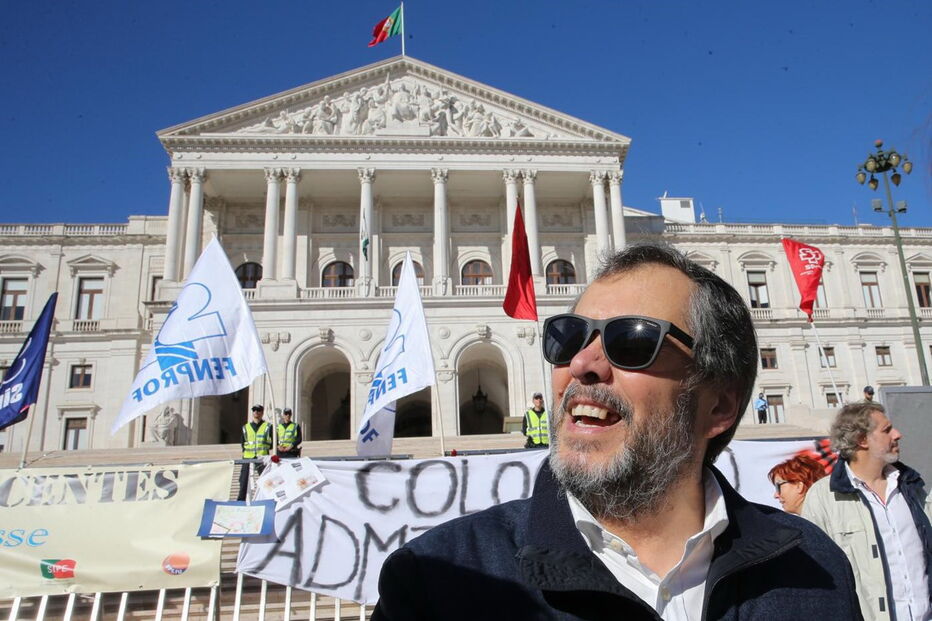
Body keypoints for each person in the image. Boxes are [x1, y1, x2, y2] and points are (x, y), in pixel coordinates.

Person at [373, 242, 861, 620]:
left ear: (720, 406)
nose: (581, 364)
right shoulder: (439, 582)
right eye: (567, 337)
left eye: (632, 341)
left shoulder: (813, 568)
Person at [803, 401, 931, 621]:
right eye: (887, 430)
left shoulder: (912, 487)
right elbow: (815, 578)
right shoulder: (824, 497)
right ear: (862, 440)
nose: (898, 435)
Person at [237, 404, 271, 501]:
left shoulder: (267, 426)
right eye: (254, 410)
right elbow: (243, 442)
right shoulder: (246, 427)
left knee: (266, 480)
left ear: (262, 412)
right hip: (248, 457)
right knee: (243, 480)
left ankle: (268, 499)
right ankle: (240, 501)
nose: (256, 412)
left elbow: (272, 442)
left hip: (262, 457)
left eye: (258, 410)